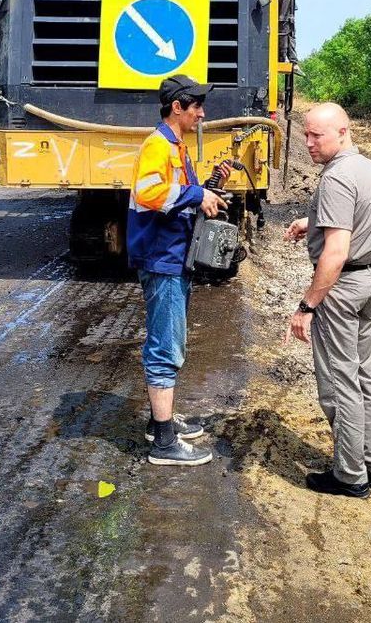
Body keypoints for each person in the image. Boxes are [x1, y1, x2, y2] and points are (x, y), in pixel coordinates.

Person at [282, 102, 371, 498]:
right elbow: (357, 219)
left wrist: (307, 305)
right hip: (368, 283)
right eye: (306, 134)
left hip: (341, 290)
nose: (308, 142)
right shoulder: (367, 169)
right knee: (365, 378)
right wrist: (312, 222)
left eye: (316, 136)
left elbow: (335, 253)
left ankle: (349, 475)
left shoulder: (336, 178)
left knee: (339, 383)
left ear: (343, 132)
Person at [129, 74, 231, 465]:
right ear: (177, 107)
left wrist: (204, 193)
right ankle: (164, 444)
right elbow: (148, 192)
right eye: (196, 107)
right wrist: (196, 193)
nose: (202, 114)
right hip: (162, 258)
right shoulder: (159, 145)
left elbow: (174, 195)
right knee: (165, 347)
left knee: (170, 341)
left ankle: (161, 422)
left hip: (172, 256)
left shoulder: (175, 145)